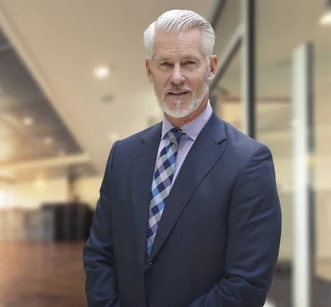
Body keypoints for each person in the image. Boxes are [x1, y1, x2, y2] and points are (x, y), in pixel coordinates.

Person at [82, 9, 282, 307]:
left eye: (189, 63)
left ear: (211, 67)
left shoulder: (249, 163)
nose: (177, 77)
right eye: (166, 64)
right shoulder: (123, 156)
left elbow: (246, 283)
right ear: (150, 70)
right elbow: (100, 256)